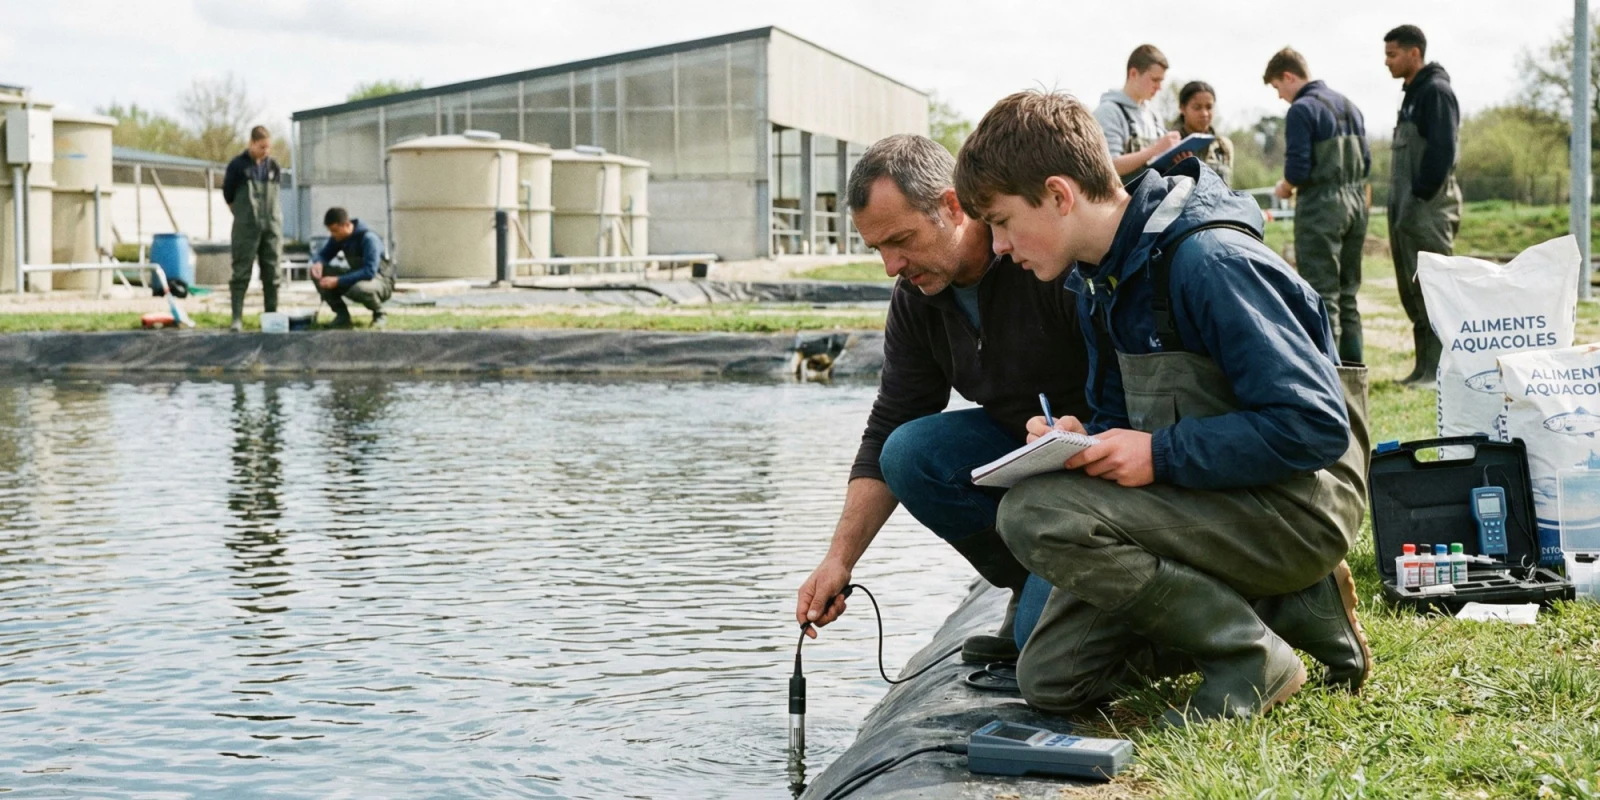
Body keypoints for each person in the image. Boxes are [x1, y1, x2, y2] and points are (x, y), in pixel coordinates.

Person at [953, 90, 1371, 724]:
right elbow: (1122, 414)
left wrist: (1157, 453)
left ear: (1060, 195)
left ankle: (1252, 653)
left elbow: (1314, 425)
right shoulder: (1099, 278)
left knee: (1034, 516)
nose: (1000, 246)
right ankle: (1292, 605)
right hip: (1214, 498)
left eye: (1004, 221)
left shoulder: (1210, 260)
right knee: (1052, 680)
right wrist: (1081, 438)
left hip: (1297, 507)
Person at [794, 134, 1091, 665]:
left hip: (1099, 458)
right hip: (1025, 451)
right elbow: (891, 420)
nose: (891, 265)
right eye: (877, 248)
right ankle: (1029, 582)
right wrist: (839, 560)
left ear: (953, 206)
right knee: (908, 451)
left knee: (1043, 657)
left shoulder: (1040, 258)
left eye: (901, 239)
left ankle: (1090, 599)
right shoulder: (917, 296)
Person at [1265, 48, 1371, 364]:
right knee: (1348, 293)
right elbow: (1366, 161)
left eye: (1277, 88)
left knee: (1322, 295)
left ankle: (1330, 376)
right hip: (1356, 202)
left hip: (1322, 207)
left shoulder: (1301, 110)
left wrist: (1283, 188)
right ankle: (1355, 370)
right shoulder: (1350, 105)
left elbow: (1298, 170)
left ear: (1289, 76)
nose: (1281, 97)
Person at [1385, 24, 1461, 385]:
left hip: (1426, 208)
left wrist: (1418, 196)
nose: (1387, 62)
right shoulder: (1411, 95)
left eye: (1392, 54)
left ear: (1414, 53)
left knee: (1434, 288)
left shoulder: (1435, 92)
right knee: (1412, 289)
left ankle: (1439, 371)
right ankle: (1423, 367)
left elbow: (1443, 151)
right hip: (1407, 210)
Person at [222, 126, 284, 333]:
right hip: (246, 227)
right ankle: (236, 318)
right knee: (241, 272)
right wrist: (244, 217)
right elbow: (228, 196)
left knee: (272, 272)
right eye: (261, 147)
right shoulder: (237, 166)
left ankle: (271, 317)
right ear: (251, 143)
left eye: (268, 147)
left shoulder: (274, 167)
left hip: (272, 227)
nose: (265, 151)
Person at [1094, 45, 1184, 186]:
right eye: (1154, 80)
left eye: (1161, 81)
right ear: (1133, 74)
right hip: (1122, 204)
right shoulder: (1108, 112)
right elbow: (1109, 166)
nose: (1159, 87)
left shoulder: (1153, 115)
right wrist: (1155, 149)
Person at [310, 207, 393, 329]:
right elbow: (324, 255)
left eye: (335, 231)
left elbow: (369, 272)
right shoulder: (339, 237)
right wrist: (318, 263)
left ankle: (379, 314)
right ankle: (342, 316)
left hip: (380, 281)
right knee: (318, 273)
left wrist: (338, 281)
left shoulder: (369, 239)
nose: (332, 235)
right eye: (330, 231)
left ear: (347, 225)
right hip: (357, 276)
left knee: (359, 288)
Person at [1172, 81, 1234, 187]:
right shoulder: (1172, 145)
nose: (1204, 113)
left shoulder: (1223, 146)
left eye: (1209, 107)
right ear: (1182, 108)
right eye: (1197, 107)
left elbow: (1227, 188)